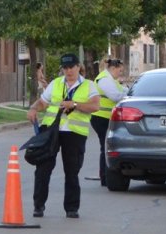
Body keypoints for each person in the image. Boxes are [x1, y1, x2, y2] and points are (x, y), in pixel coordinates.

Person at [26, 53, 100, 219]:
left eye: (71, 67)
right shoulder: (56, 83)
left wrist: (74, 104)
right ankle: (38, 205)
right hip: (51, 130)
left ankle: (71, 208)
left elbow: (95, 106)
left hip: (74, 133)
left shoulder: (89, 85)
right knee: (43, 169)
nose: (68, 71)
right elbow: (43, 102)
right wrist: (33, 108)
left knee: (72, 171)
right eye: (65, 68)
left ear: (78, 67)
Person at [89, 58, 129, 186]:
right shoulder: (104, 80)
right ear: (113, 68)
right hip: (100, 117)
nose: (120, 74)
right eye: (120, 71)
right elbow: (115, 96)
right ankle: (104, 177)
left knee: (106, 147)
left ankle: (105, 176)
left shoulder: (112, 80)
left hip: (107, 117)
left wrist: (126, 91)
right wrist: (128, 94)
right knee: (105, 148)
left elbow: (122, 90)